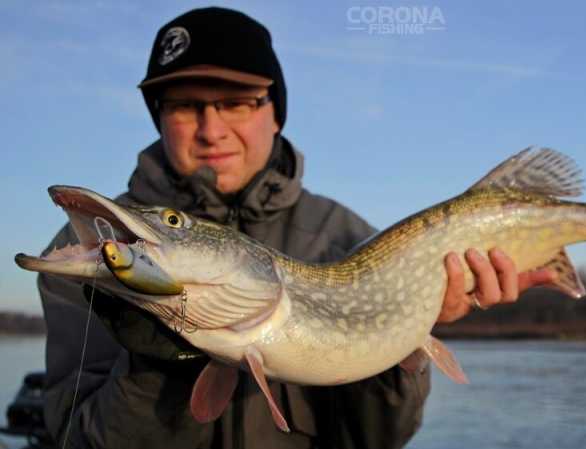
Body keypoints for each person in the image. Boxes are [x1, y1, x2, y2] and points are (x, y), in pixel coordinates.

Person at [38, 7, 554, 449]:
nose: (212, 128)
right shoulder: (87, 249)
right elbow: (75, 438)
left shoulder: (346, 234)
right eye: (184, 105)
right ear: (158, 117)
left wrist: (406, 342)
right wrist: (156, 367)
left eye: (237, 101)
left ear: (276, 113)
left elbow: (381, 438)